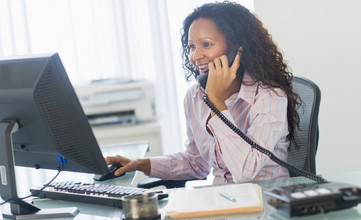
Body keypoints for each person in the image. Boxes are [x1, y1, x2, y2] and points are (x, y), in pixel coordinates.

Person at [106, 2, 301, 184]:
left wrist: (216, 101)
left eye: (206, 44)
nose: (195, 56)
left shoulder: (269, 96)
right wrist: (141, 164)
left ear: (237, 50)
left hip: (267, 207)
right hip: (222, 206)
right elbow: (196, 165)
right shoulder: (194, 97)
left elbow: (246, 171)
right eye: (192, 46)